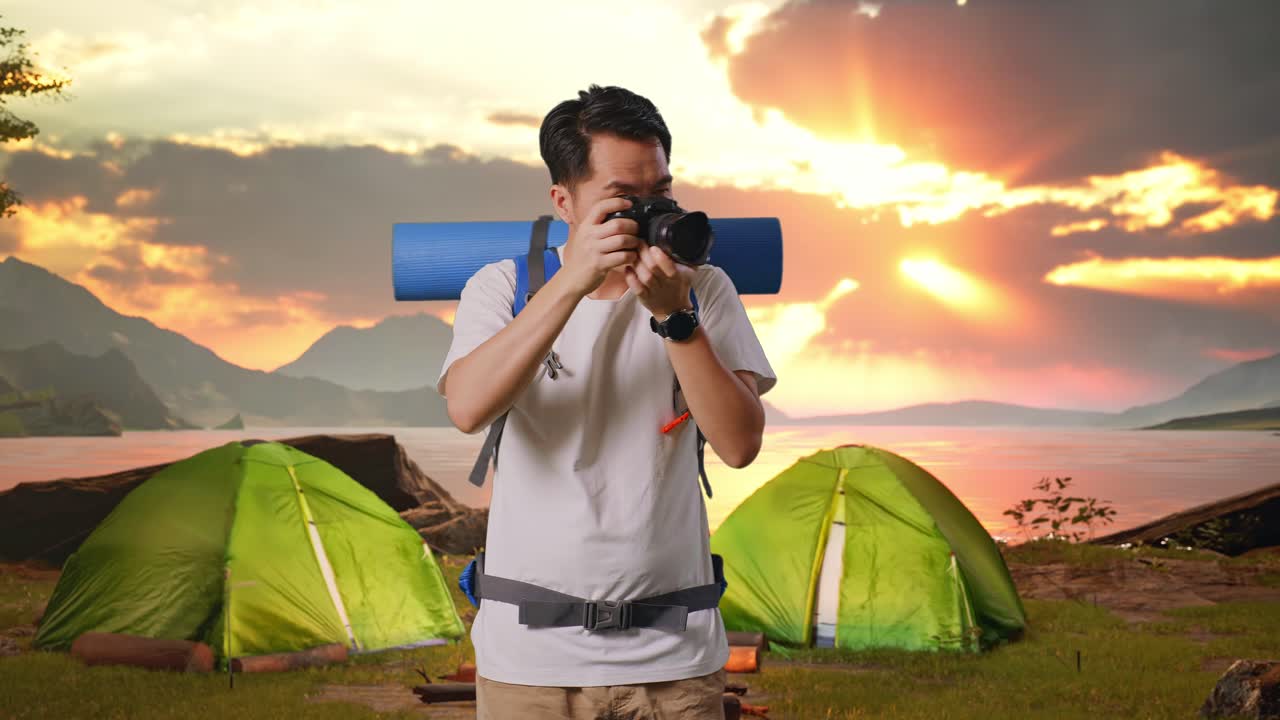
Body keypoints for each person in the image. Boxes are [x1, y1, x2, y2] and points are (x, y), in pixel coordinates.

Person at [436, 84, 777, 719]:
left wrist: (677, 320)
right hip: (530, 662)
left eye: (662, 197)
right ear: (564, 201)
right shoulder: (506, 286)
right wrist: (572, 283)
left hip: (675, 660)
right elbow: (466, 406)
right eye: (625, 200)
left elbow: (739, 443)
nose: (648, 216)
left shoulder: (703, 290)